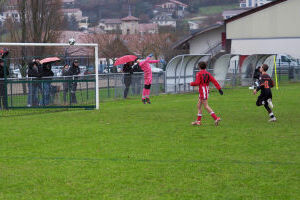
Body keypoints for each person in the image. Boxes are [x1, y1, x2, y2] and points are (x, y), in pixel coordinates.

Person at [190, 61, 224, 126]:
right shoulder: (208, 73)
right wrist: (219, 89)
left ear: (199, 67)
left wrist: (191, 83)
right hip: (205, 90)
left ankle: (216, 118)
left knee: (206, 106)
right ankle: (198, 121)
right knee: (199, 106)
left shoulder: (199, 74)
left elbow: (197, 83)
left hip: (202, 91)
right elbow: (214, 81)